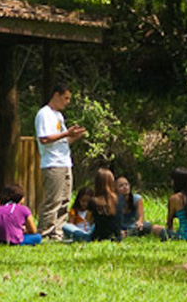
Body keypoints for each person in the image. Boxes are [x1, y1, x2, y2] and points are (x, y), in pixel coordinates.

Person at [35, 84, 85, 242]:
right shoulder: (44, 114)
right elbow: (44, 139)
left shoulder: (58, 116)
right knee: (53, 200)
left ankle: (57, 233)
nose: (68, 102)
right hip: (52, 164)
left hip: (65, 162)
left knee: (65, 200)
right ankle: (44, 233)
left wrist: (74, 137)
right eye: (66, 98)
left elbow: (62, 142)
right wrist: (66, 133)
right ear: (56, 95)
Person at [86, 167, 122, 242]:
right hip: (116, 237)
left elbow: (88, 220)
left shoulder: (93, 201)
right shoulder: (119, 199)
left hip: (98, 237)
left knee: (67, 227)